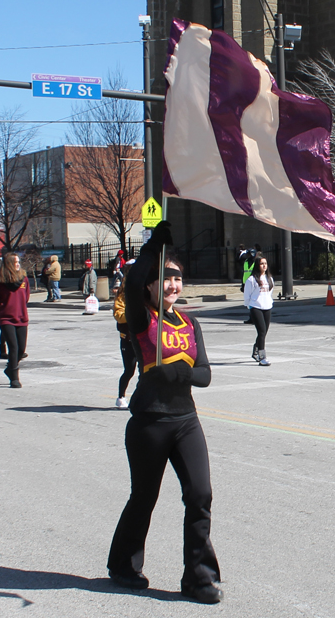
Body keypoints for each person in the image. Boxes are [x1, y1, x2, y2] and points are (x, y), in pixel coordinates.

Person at [107, 221, 222, 604]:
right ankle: (124, 564)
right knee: (144, 497)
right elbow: (131, 281)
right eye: (165, 278)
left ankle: (199, 578)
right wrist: (151, 249)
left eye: (178, 279)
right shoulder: (142, 318)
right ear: (152, 285)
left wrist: (181, 371)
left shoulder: (190, 322)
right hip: (149, 422)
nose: (173, 285)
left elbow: (204, 374)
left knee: (200, 494)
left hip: (185, 420)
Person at [0, 253, 30, 388]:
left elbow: (26, 297)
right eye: (15, 262)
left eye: (19, 262)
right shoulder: (0, 281)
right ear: (9, 264)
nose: (18, 264)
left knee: (21, 349)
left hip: (22, 318)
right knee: (13, 347)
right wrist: (0, 309)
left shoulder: (24, 279)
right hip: (6, 318)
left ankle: (9, 368)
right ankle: (14, 377)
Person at [113, 260, 137, 409]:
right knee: (129, 370)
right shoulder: (123, 293)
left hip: (144, 336)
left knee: (147, 369)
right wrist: (134, 314)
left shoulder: (146, 289)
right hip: (128, 338)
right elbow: (118, 314)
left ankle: (142, 397)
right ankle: (121, 397)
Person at [244, 255, 274, 366]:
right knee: (261, 331)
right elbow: (247, 295)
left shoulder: (269, 278)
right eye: (262, 264)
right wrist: (250, 307)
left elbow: (270, 292)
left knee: (264, 332)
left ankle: (256, 349)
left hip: (267, 306)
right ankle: (262, 356)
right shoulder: (251, 280)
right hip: (256, 307)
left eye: (265, 263)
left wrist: (270, 302)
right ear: (257, 265)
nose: (264, 265)